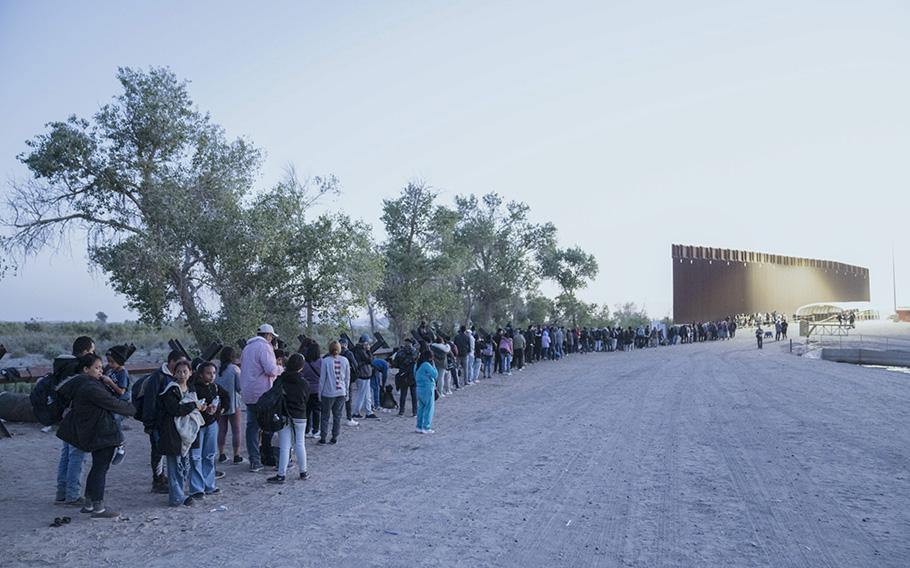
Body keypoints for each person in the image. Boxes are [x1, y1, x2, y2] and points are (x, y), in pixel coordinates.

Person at [55, 353, 136, 518]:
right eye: (97, 368)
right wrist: (133, 409)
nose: (101, 371)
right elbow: (111, 403)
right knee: (100, 468)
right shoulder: (90, 387)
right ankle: (98, 507)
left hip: (96, 430)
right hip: (101, 432)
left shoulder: (87, 383)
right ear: (86, 369)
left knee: (98, 467)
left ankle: (90, 504)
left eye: (101, 367)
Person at [140, 349, 189, 493]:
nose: (181, 367)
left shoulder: (172, 376)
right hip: (158, 422)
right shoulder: (158, 377)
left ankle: (162, 477)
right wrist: (149, 423)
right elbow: (150, 401)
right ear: (171, 362)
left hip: (170, 423)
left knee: (166, 449)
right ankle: (158, 480)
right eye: (179, 363)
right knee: (157, 451)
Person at [54, 335, 95, 506]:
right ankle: (73, 495)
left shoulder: (63, 365)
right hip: (77, 417)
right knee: (77, 455)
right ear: (85, 351)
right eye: (92, 352)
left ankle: (61, 493)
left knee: (66, 455)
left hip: (65, 416)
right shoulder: (78, 368)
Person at [158, 360, 205, 507]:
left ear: (190, 373)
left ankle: (182, 493)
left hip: (188, 431)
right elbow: (175, 410)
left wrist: (198, 407)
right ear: (174, 373)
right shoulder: (170, 390)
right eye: (179, 371)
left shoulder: (191, 389)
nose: (182, 374)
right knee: (174, 465)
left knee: (184, 465)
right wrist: (193, 405)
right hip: (172, 432)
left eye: (185, 371)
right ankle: (176, 497)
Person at [239, 324, 281, 472]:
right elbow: (270, 369)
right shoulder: (264, 347)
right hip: (262, 393)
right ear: (268, 335)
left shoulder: (247, 348)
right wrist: (280, 369)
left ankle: (254, 460)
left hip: (248, 392)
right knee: (268, 426)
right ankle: (271, 458)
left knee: (252, 427)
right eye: (272, 336)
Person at [268, 353, 309, 483]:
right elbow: (305, 399)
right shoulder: (304, 382)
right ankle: (303, 472)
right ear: (301, 367)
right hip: (300, 415)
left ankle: (281, 474)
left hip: (284, 414)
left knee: (284, 446)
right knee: (300, 444)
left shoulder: (280, 380)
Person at [189, 362, 226, 499]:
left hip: (211, 424)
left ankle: (209, 485)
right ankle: (196, 488)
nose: (211, 376)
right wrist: (201, 408)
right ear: (201, 374)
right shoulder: (193, 388)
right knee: (196, 457)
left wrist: (219, 411)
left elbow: (226, 396)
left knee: (209, 455)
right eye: (208, 373)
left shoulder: (214, 387)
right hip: (198, 426)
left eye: (214, 373)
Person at [103, 344, 132, 466]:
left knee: (114, 418)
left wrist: (109, 382)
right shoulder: (112, 370)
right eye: (108, 361)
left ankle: (121, 443)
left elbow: (121, 391)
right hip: (113, 400)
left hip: (121, 402)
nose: (110, 364)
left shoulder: (123, 373)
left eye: (112, 362)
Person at [215, 346, 243, 464]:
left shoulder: (216, 369)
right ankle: (236, 455)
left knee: (222, 430)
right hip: (233, 403)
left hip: (220, 405)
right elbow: (239, 387)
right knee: (236, 430)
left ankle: (221, 454)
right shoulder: (235, 369)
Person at [318, 341, 349, 445]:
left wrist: (319, 393)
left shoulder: (325, 361)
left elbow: (322, 379)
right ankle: (334, 437)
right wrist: (347, 392)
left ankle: (323, 437)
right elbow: (347, 379)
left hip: (328, 392)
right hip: (341, 392)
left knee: (325, 416)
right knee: (337, 416)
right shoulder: (345, 360)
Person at [351, 335, 378, 419]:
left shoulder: (358, 349)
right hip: (363, 374)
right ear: (364, 342)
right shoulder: (360, 350)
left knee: (367, 395)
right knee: (361, 394)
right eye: (367, 343)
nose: (368, 344)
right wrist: (369, 351)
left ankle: (369, 412)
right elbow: (370, 360)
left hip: (365, 374)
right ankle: (356, 412)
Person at [415, 346, 438, 434]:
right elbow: (435, 374)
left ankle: (419, 426)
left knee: (421, 408)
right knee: (429, 408)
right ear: (430, 357)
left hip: (419, 388)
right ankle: (426, 427)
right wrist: (433, 365)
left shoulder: (417, 364)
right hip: (427, 388)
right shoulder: (426, 365)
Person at [392, 339, 418, 417]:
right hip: (413, 375)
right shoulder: (416, 352)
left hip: (403, 374)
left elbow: (395, 364)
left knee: (403, 394)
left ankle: (401, 412)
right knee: (414, 395)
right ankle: (415, 412)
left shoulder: (400, 352)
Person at [302, 343, 322, 439]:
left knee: (307, 411)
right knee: (317, 411)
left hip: (306, 390)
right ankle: (316, 430)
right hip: (317, 389)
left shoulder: (304, 363)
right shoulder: (321, 362)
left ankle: (307, 430)